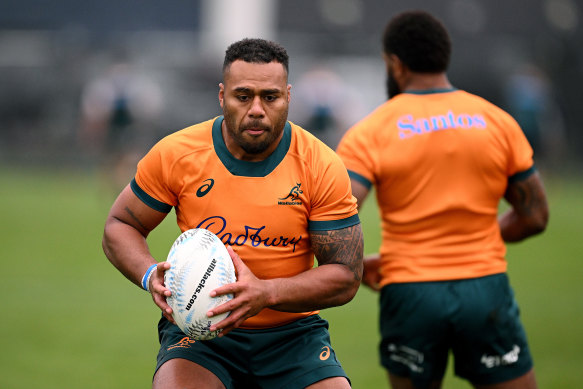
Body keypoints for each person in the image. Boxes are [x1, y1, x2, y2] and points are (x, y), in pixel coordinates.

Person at [102, 38, 364, 389]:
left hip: (293, 336)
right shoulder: (177, 153)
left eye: (270, 97)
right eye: (243, 96)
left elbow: (346, 275)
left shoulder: (320, 165)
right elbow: (121, 224)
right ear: (222, 96)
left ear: (288, 96)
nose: (256, 109)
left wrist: (266, 293)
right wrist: (150, 275)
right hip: (200, 335)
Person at [336, 10, 549, 389]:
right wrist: (475, 237)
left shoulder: (371, 131)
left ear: (395, 63)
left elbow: (337, 219)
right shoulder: (496, 121)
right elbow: (535, 216)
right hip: (484, 288)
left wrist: (357, 264)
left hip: (410, 292)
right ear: (443, 57)